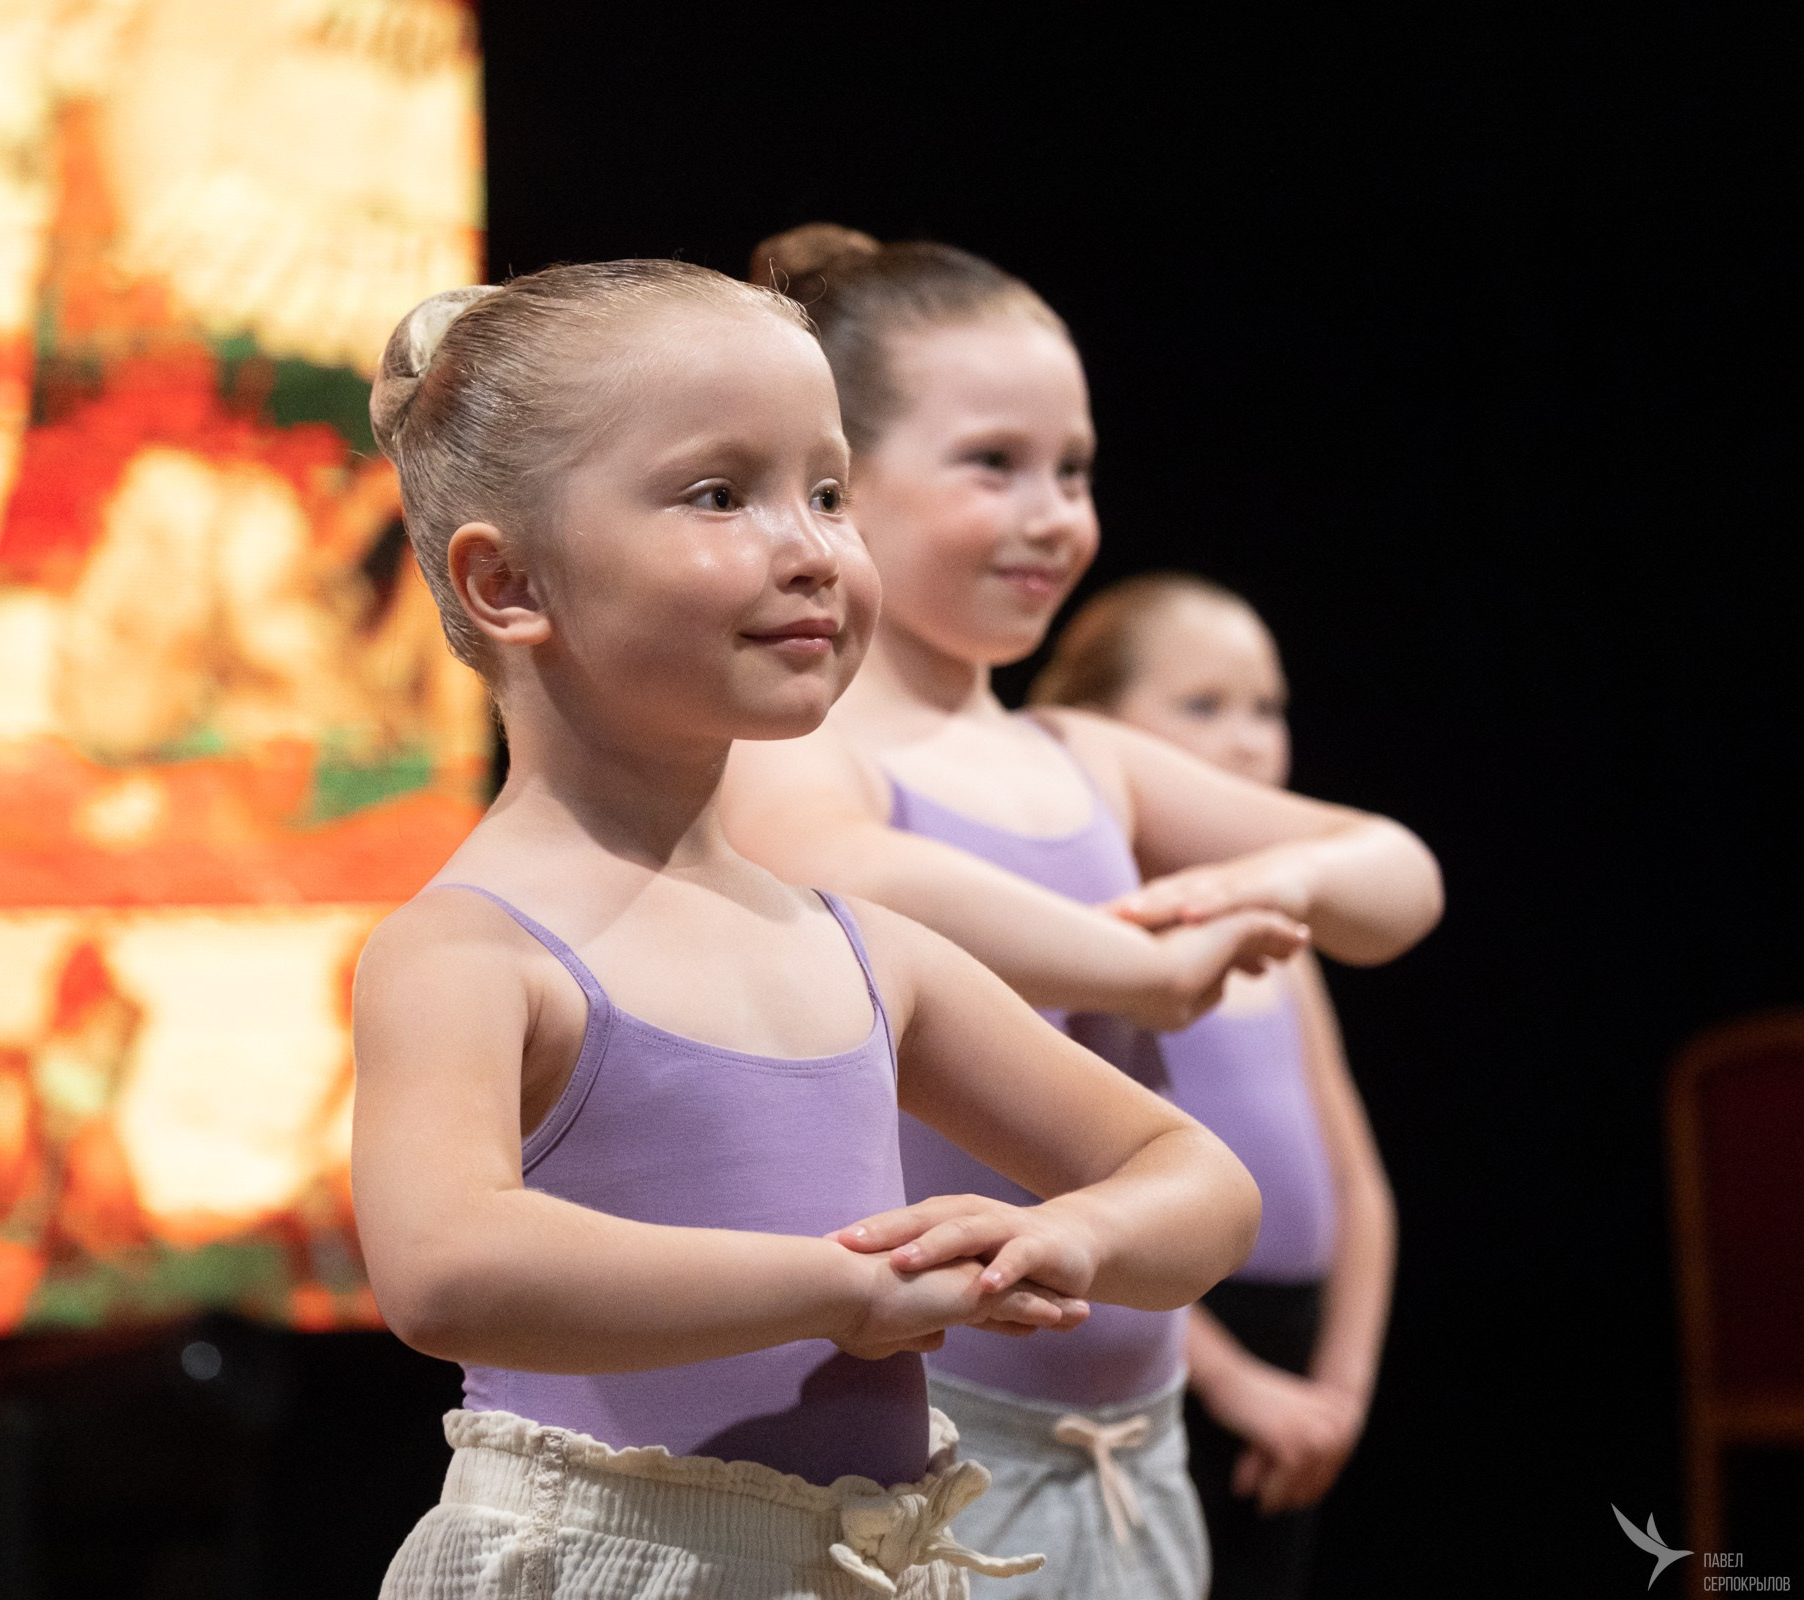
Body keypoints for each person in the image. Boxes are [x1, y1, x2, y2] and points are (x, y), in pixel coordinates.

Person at [350, 259, 1265, 1600]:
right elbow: (446, 1267)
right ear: (507, 582)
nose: (815, 549)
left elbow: (1198, 1182)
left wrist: (1073, 1238)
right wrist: (836, 1289)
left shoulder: (866, 952)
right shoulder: (471, 951)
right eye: (720, 494)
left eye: (829, 494)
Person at [723, 227, 1442, 1600]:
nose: (1052, 513)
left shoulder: (1081, 756)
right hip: (934, 1451)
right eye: (993, 463)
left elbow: (1398, 875)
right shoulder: (807, 749)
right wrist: (1136, 966)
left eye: (1075, 469)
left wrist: (1280, 880)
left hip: (1137, 1445)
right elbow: (840, 862)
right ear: (840, 483)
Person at [1033, 573, 1396, 1599]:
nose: (1248, 742)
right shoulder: (1090, 941)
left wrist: (1339, 1393)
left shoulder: (1284, 944)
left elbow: (1357, 1185)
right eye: (1202, 705)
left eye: (1266, 708)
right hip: (1168, 1344)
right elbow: (1063, 1187)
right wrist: (1237, 1387)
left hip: (1297, 1358)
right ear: (1096, 726)